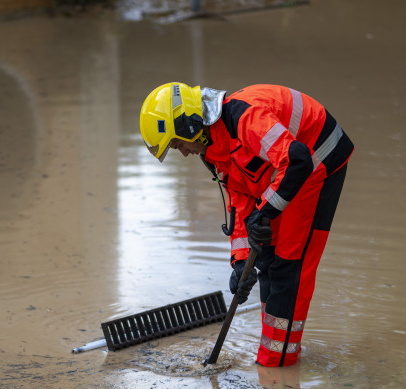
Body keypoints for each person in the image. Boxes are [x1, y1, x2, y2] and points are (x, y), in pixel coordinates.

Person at [139, 83, 353, 367]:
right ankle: (273, 357)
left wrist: (264, 212)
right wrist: (241, 263)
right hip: (287, 170)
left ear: (190, 126)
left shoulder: (244, 118)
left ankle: (278, 366)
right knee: (264, 258)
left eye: (178, 145)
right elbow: (240, 201)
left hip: (317, 159)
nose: (184, 153)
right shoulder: (215, 148)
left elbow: (297, 160)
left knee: (289, 265)